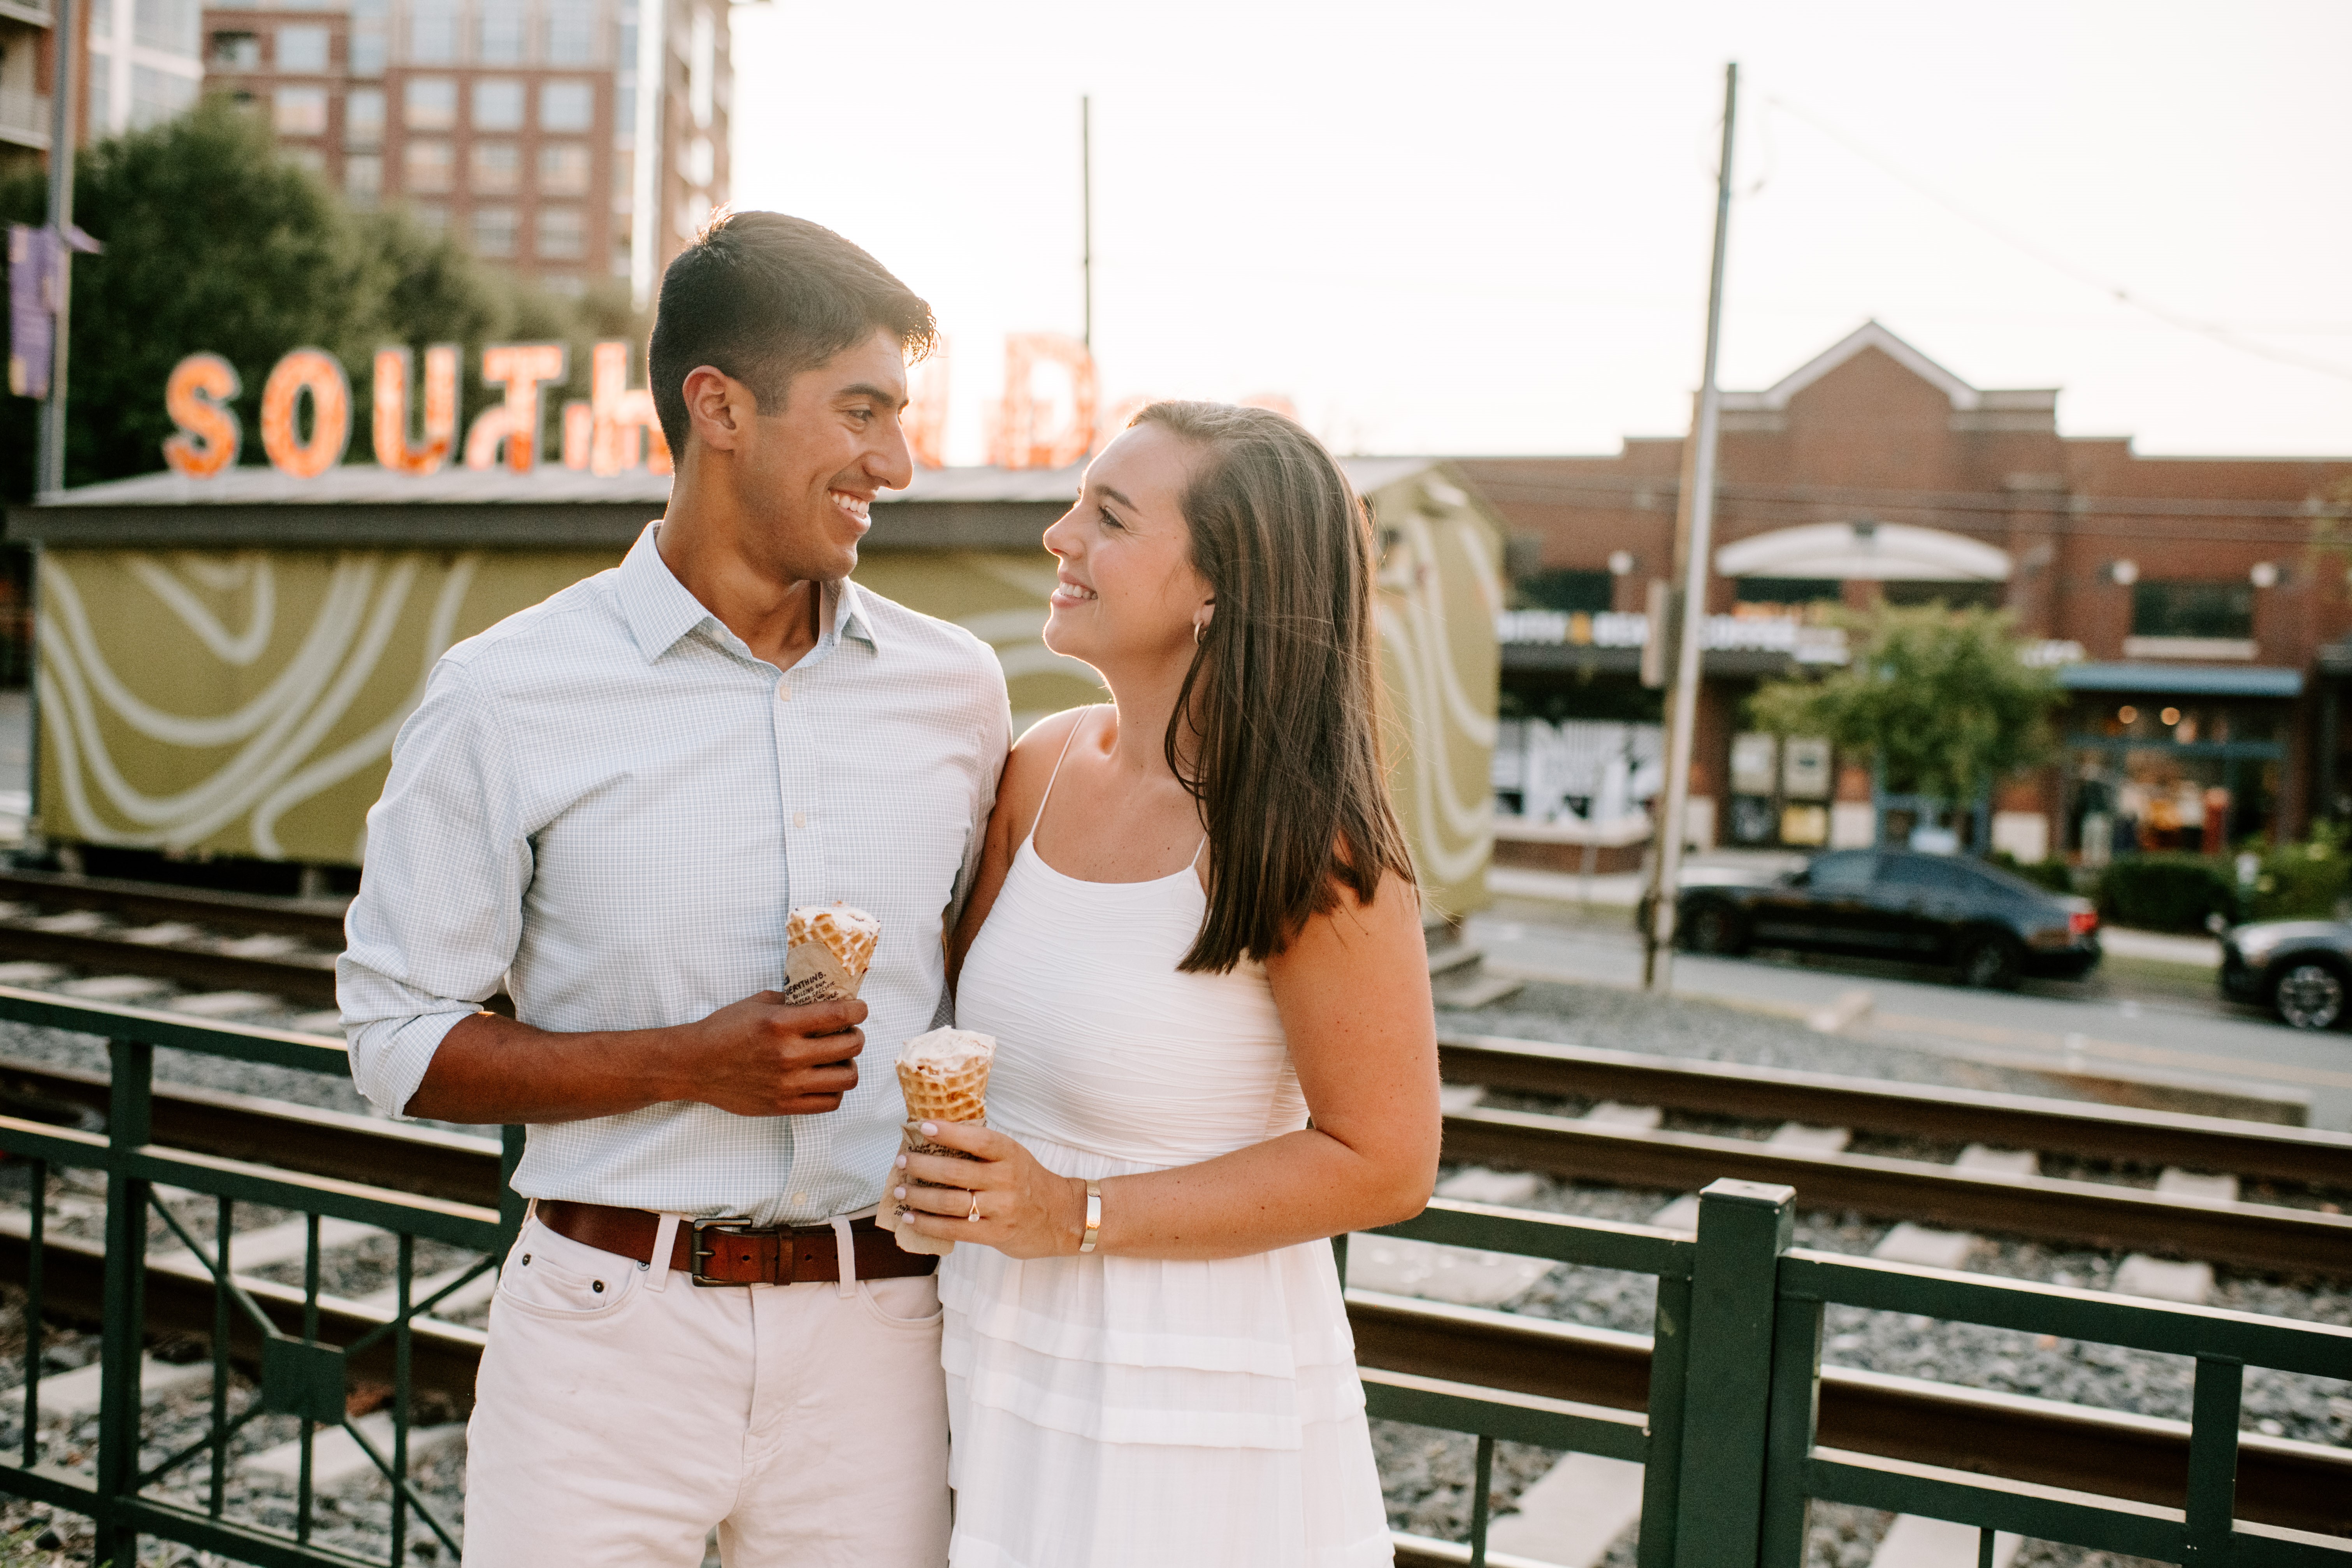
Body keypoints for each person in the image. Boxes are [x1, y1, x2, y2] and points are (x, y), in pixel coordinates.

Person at [337, 211, 1010, 1567]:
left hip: (881, 1334)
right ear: (720, 407)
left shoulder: (960, 693)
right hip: (605, 1329)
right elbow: (395, 1040)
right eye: (861, 411)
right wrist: (687, 1065)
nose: (898, 461)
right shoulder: (507, 693)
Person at [892, 403, 1441, 1566]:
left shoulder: (1305, 843)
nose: (1058, 535)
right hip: (991, 1348)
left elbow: (1387, 1160)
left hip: (1181, 1394)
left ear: (1217, 589)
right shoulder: (1038, 770)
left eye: (1107, 516)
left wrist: (1074, 1215)